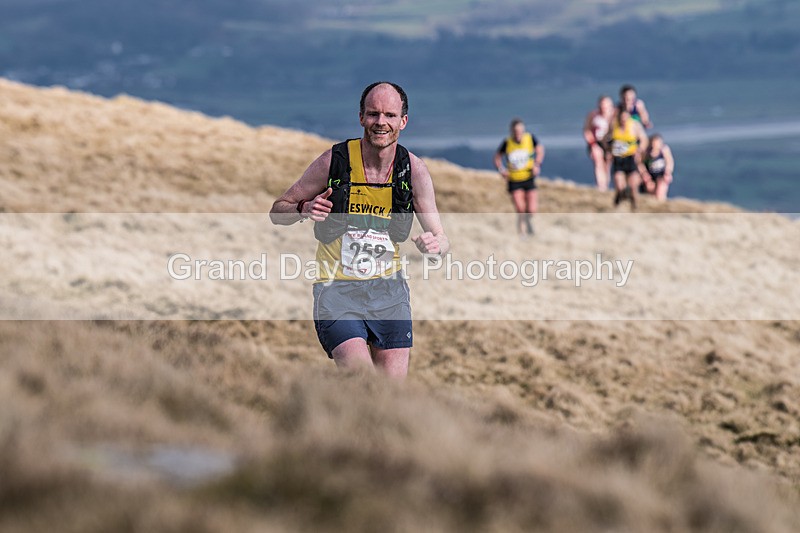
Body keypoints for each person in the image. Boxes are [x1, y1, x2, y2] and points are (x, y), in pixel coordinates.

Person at [269, 81, 449, 379]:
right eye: (373, 113)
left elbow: (442, 240)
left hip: (389, 293)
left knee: (391, 396)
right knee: (363, 382)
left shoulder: (413, 170)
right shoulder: (334, 161)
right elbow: (278, 210)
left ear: (403, 121)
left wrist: (435, 245)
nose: (381, 122)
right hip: (336, 291)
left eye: (390, 115)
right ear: (361, 117)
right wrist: (304, 208)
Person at [493, 118, 545, 237]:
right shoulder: (507, 142)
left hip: (529, 177)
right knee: (520, 209)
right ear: (512, 131)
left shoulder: (530, 138)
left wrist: (537, 164)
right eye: (516, 130)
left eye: (520, 130)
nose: (518, 133)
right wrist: (501, 170)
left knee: (531, 210)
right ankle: (522, 234)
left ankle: (529, 225)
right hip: (514, 180)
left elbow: (540, 150)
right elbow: (497, 157)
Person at [604, 104, 648, 209]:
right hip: (618, 158)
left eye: (625, 118)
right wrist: (608, 150)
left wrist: (639, 151)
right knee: (620, 185)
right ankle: (618, 201)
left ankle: (634, 206)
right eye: (621, 118)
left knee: (633, 186)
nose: (623, 121)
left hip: (631, 158)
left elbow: (644, 139)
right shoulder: (613, 125)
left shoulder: (634, 125)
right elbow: (605, 139)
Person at [582, 95, 614, 191]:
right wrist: (592, 144)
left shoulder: (614, 115)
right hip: (596, 142)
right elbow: (586, 130)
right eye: (602, 105)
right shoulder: (593, 115)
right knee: (598, 162)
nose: (604, 108)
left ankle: (606, 185)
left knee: (607, 165)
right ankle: (601, 186)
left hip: (610, 143)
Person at [639, 133, 675, 201]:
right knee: (650, 191)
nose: (654, 146)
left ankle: (661, 204)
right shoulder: (646, 152)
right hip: (649, 175)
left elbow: (669, 161)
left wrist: (668, 173)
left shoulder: (664, 150)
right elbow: (640, 164)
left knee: (660, 193)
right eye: (653, 143)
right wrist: (645, 176)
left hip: (661, 174)